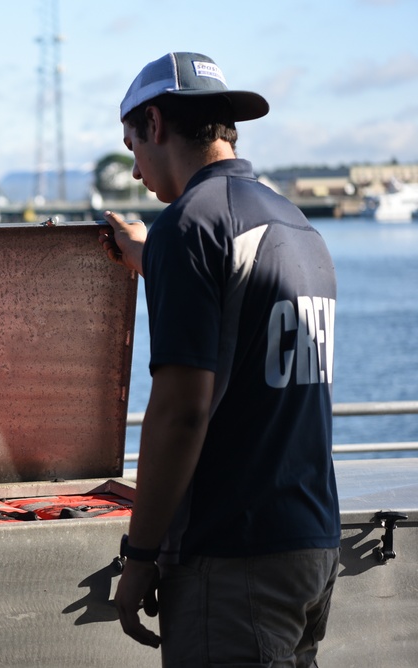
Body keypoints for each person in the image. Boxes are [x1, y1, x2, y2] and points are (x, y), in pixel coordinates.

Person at [100, 53, 340, 667]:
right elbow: (239, 293)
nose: (134, 170)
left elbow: (181, 413)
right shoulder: (295, 226)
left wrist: (142, 554)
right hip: (309, 545)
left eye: (132, 146)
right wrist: (152, 256)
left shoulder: (190, 227)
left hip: (235, 559)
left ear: (155, 122)